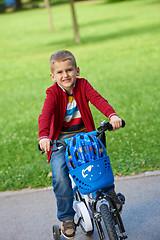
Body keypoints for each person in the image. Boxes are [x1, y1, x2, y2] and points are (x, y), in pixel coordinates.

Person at [38, 50, 123, 239]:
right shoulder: (52, 93)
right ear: (53, 76)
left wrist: (112, 115)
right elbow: (45, 115)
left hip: (85, 135)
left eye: (69, 70)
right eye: (60, 72)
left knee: (99, 162)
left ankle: (110, 194)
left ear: (77, 70)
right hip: (60, 140)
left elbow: (97, 99)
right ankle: (67, 217)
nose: (65, 75)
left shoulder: (83, 85)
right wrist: (44, 136)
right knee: (60, 176)